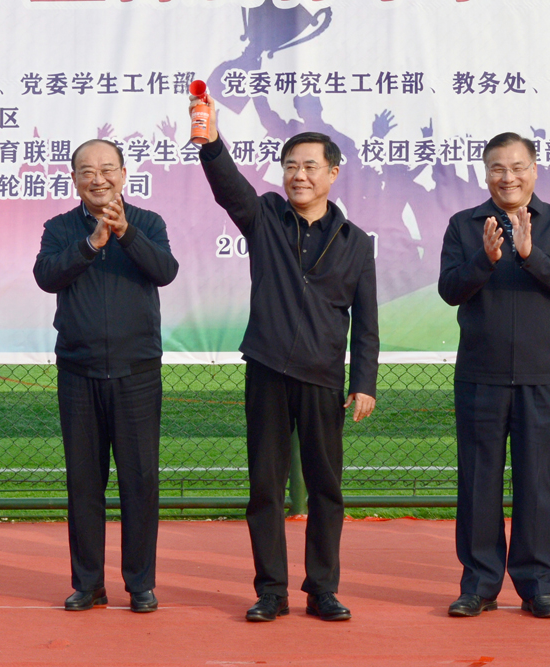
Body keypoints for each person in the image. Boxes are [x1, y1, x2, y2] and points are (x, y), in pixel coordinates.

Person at [191, 95, 379, 622]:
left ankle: (322, 590)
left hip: (324, 377)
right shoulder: (266, 217)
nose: (299, 175)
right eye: (291, 166)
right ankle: (271, 591)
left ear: (333, 173)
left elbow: (366, 321)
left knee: (326, 490)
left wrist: (363, 381)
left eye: (310, 166)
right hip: (268, 370)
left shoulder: (355, 242)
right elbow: (230, 189)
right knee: (265, 488)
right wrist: (211, 141)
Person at [438, 132, 550, 619]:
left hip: (539, 376)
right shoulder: (465, 225)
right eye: (498, 168)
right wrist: (485, 259)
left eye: (518, 167)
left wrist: (530, 254)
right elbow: (449, 289)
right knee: (478, 484)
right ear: (486, 173)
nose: (509, 177)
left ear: (535, 170)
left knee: (537, 484)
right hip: (479, 376)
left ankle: (537, 586)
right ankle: (479, 585)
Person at [33, 139, 179, 612]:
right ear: (75, 179)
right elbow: (46, 276)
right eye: (87, 171)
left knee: (140, 481)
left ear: (123, 174)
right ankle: (88, 584)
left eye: (107, 169)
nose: (98, 179)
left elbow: (165, 271)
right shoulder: (59, 228)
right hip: (79, 372)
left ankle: (140, 584)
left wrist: (125, 233)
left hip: (137, 372)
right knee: (84, 482)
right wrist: (91, 243)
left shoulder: (149, 223)